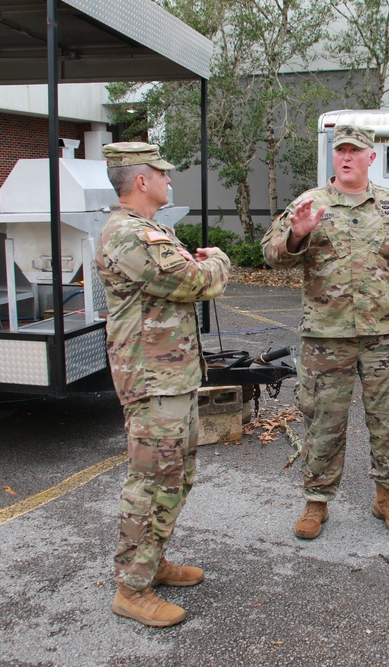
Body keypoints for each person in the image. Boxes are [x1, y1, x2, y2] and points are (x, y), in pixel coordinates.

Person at [261, 124, 389, 540]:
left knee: (388, 419)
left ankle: (387, 496)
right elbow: (271, 255)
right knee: (322, 420)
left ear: (370, 158)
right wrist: (297, 234)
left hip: (385, 335)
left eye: (355, 151)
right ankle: (316, 502)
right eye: (340, 150)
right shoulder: (310, 203)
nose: (346, 157)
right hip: (326, 337)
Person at [95, 141, 230, 628]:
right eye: (163, 174)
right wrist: (217, 260)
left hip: (170, 376)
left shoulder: (150, 231)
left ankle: (150, 564)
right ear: (141, 181)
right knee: (152, 482)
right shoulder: (129, 235)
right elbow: (196, 283)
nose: (170, 181)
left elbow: (178, 277)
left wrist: (195, 266)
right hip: (152, 380)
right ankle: (132, 587)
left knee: (176, 475)